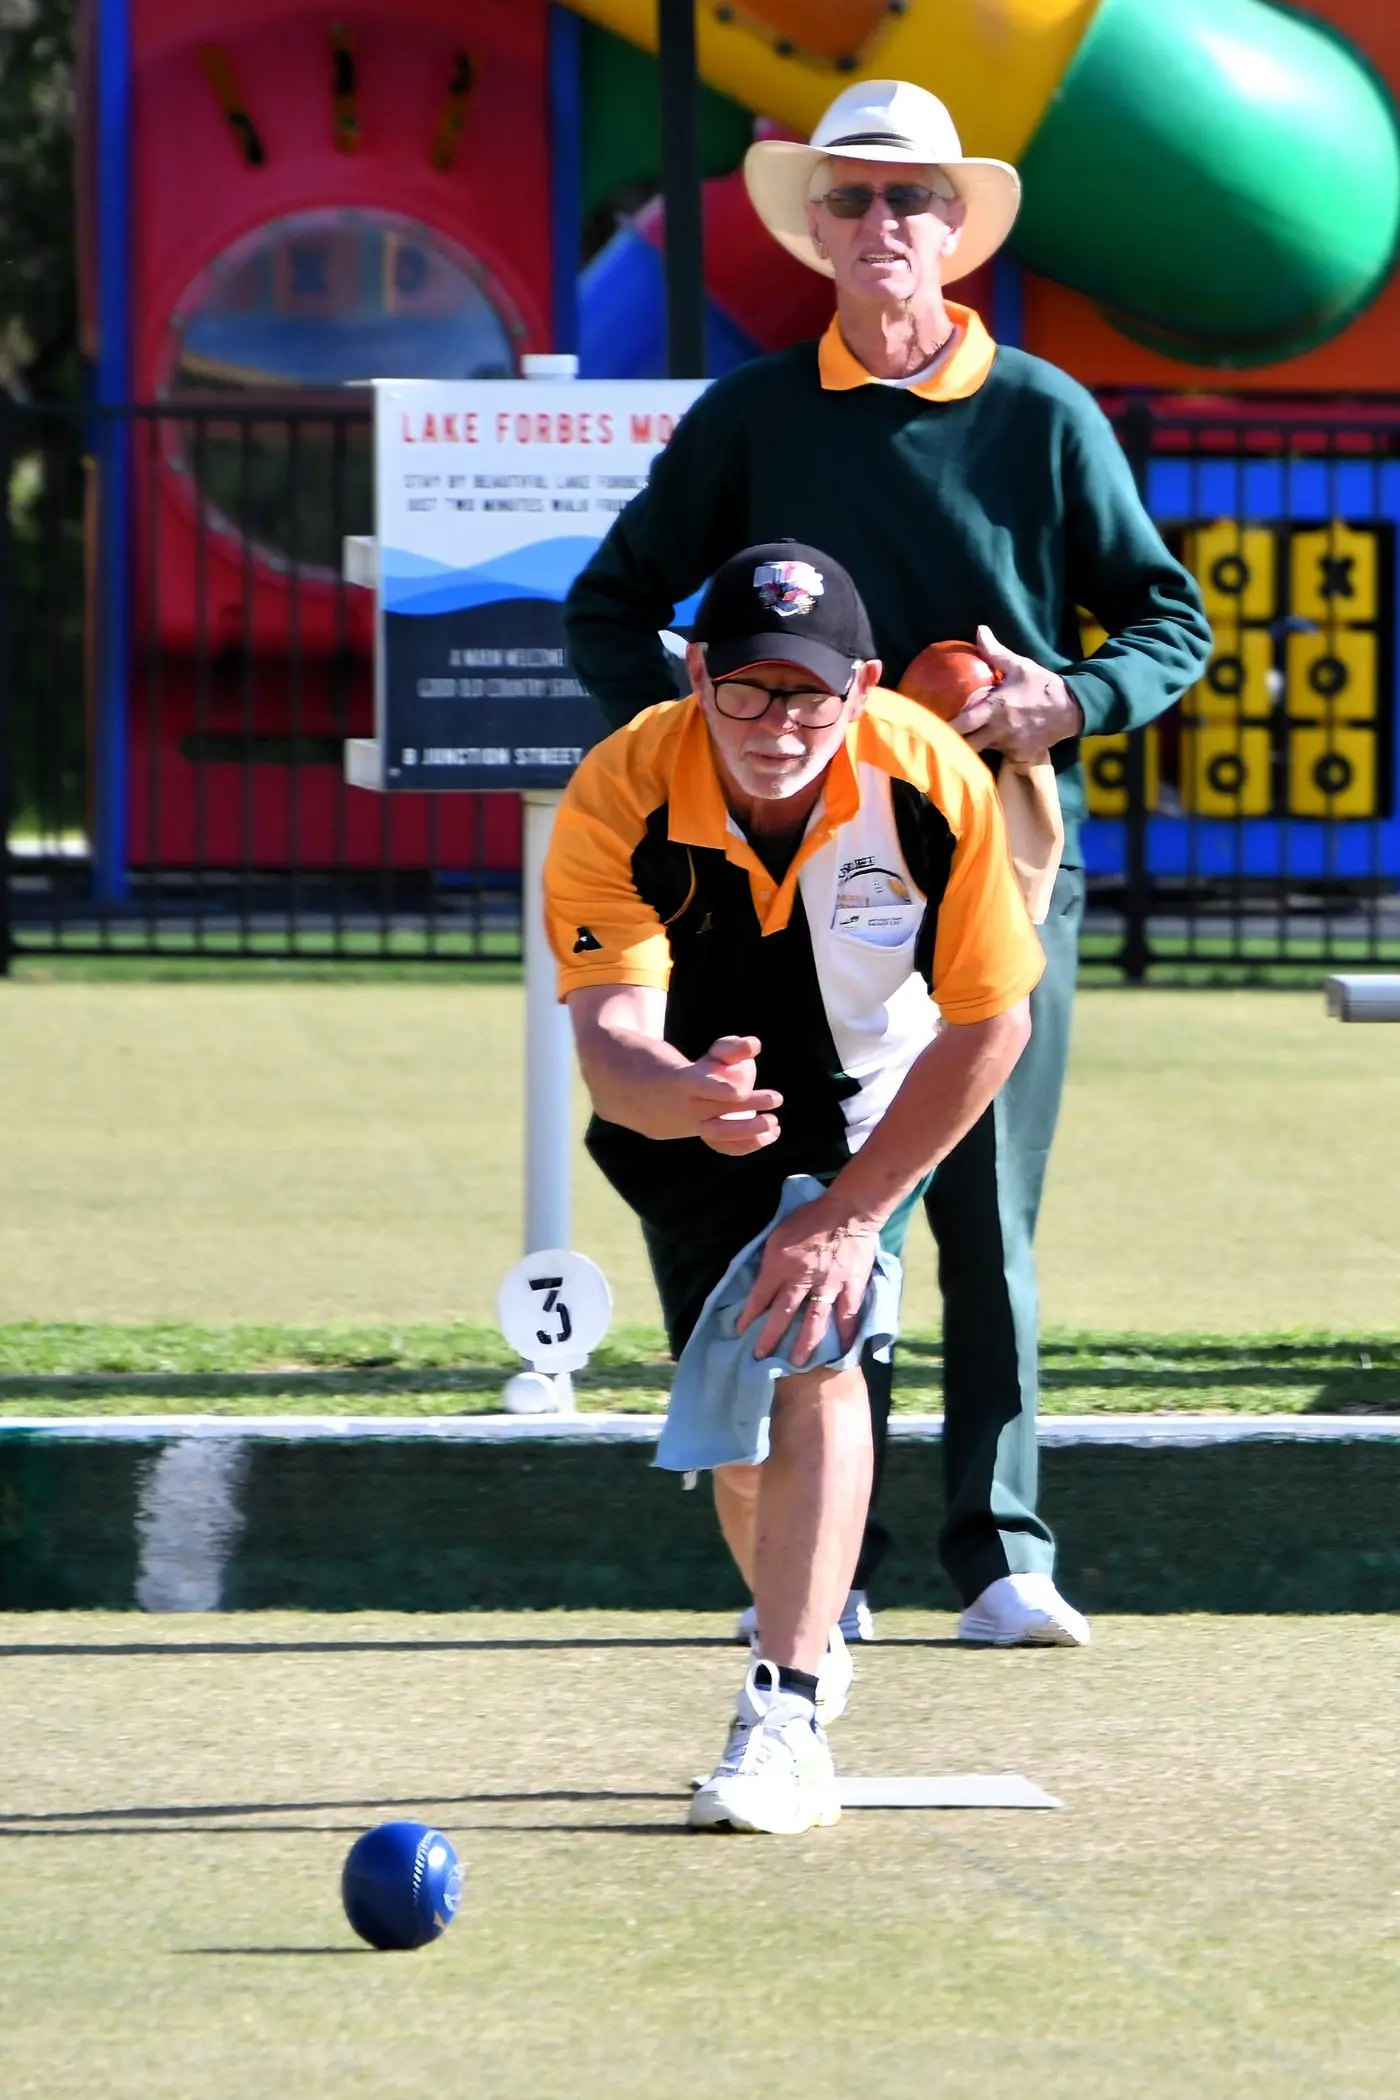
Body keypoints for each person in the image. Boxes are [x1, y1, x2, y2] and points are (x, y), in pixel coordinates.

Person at [564, 78, 1212, 1648]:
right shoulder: (751, 418)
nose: (881, 223)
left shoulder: (1045, 415)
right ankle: (822, 1569)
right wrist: (710, 751)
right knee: (802, 1187)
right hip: (783, 879)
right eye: (851, 197)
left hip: (996, 849)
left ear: (956, 229)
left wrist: (1069, 699)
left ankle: (999, 1550)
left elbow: (1168, 619)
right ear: (817, 229)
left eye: (910, 196)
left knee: (982, 1203)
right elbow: (610, 606)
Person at [545, 543, 1043, 1833]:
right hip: (692, 1108)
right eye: (749, 690)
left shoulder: (927, 779)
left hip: (867, 1108)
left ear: (863, 685)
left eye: (811, 694)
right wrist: (685, 1094)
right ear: (697, 672)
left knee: (816, 1351)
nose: (779, 725)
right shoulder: (621, 788)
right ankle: (804, 1620)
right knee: (741, 1440)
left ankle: (787, 1705)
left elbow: (994, 1021)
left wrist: (853, 1212)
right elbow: (610, 1049)